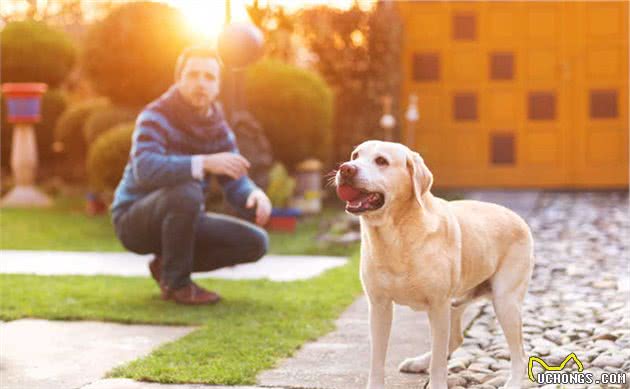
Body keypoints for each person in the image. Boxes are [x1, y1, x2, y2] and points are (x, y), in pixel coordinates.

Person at [110, 46, 271, 305]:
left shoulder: (218, 126)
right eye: (193, 74)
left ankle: (167, 267)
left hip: (185, 216)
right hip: (134, 219)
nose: (201, 83)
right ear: (178, 79)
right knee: (187, 190)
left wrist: (253, 194)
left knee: (256, 242)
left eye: (209, 77)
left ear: (218, 86)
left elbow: (234, 176)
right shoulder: (155, 116)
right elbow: (145, 169)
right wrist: (204, 162)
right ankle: (177, 285)